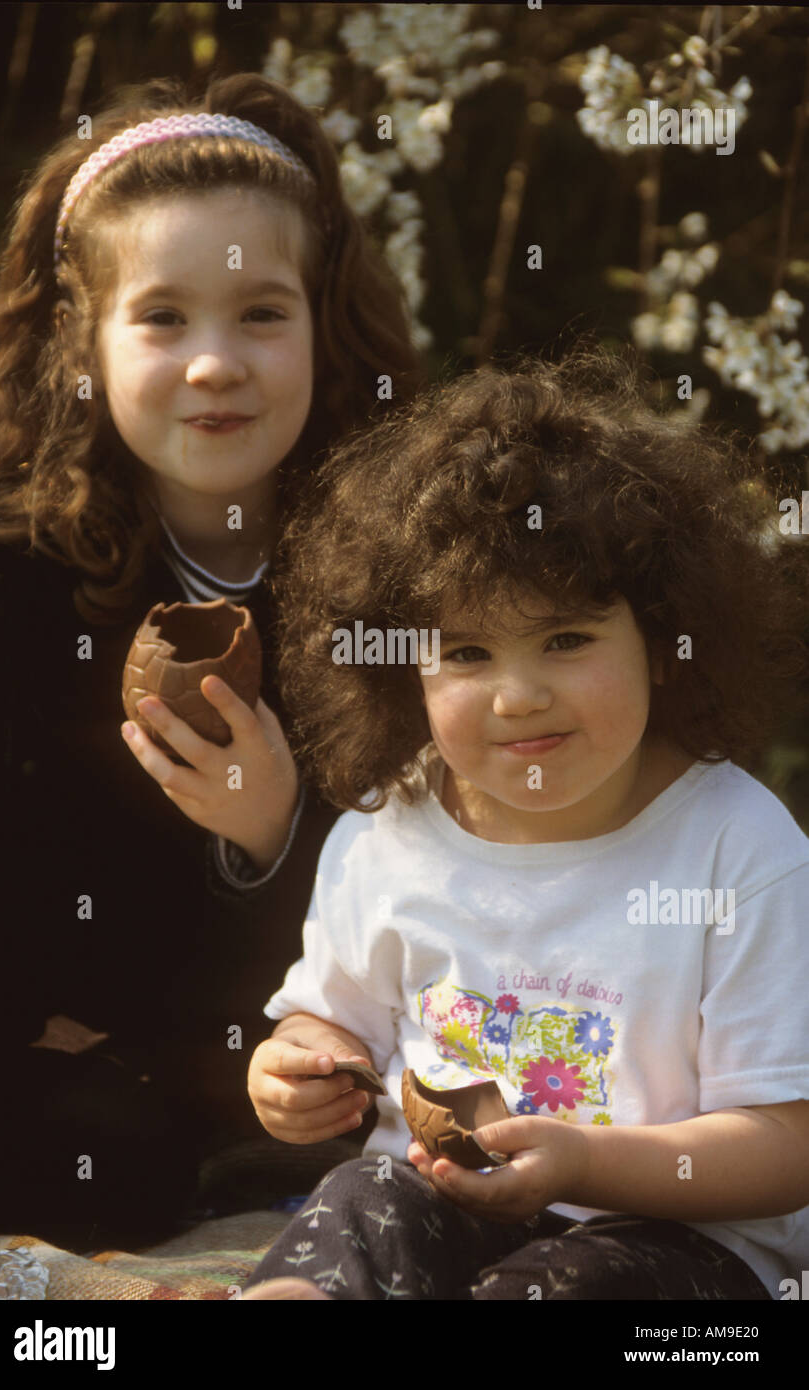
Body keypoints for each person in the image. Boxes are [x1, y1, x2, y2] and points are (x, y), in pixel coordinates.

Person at [0, 70, 426, 1252]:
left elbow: (445, 890)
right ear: (86, 335)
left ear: (322, 324)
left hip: (268, 1071)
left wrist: (266, 835)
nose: (214, 363)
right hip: (46, 1049)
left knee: (132, 1152)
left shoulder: (399, 574)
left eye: (261, 314)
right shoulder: (12, 574)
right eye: (162, 318)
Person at [243, 346, 809, 1300]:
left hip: (674, 1243)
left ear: (665, 641)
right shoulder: (391, 831)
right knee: (353, 1197)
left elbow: (785, 1147)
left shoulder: (737, 848)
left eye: (565, 639)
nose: (517, 696)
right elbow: (326, 1020)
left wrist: (585, 1164)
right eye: (465, 650)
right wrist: (296, 1070)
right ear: (400, 674)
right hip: (433, 1207)